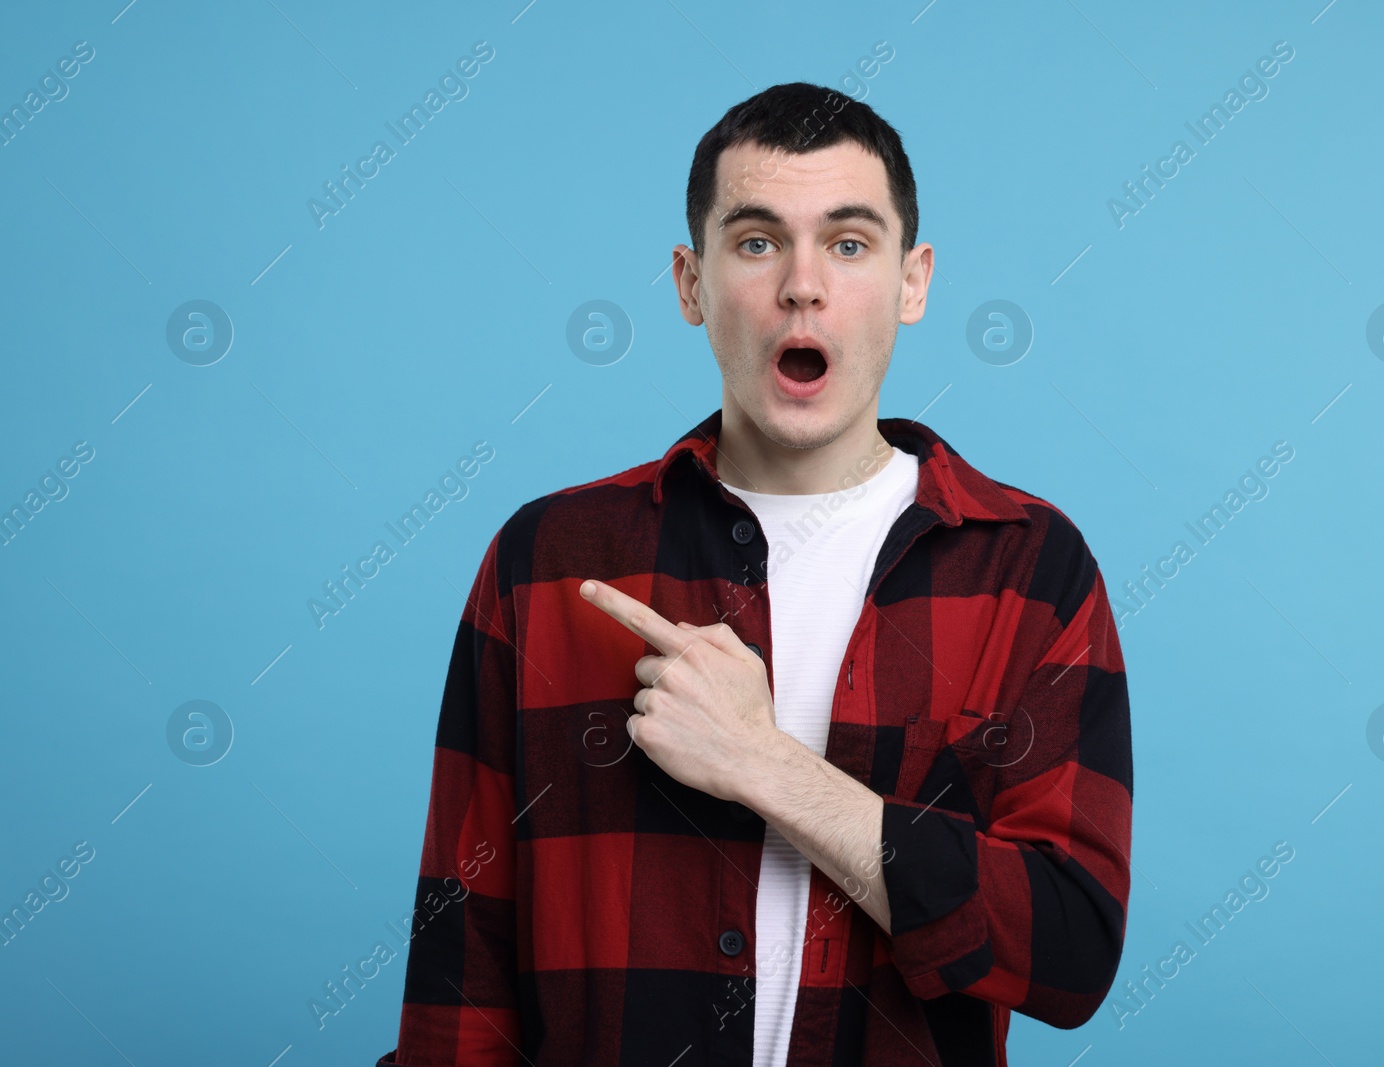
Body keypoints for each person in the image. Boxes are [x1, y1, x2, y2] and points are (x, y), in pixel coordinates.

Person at [376, 81, 1131, 1067]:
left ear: (914, 280)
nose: (802, 286)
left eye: (849, 243)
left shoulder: (1028, 565)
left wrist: (764, 766)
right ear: (691, 284)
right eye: (757, 241)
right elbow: (459, 973)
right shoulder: (549, 563)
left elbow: (1069, 954)